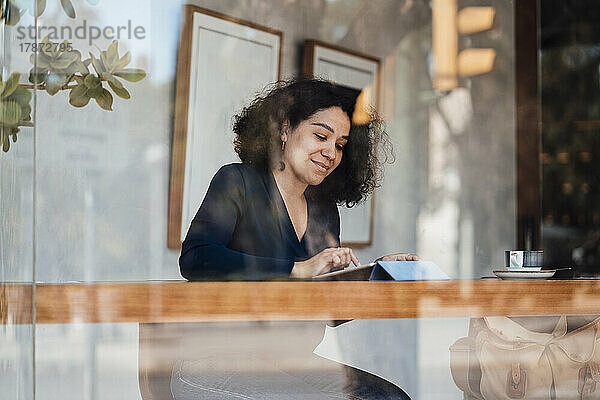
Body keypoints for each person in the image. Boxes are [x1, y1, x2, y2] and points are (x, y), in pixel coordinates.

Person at [179, 78, 418, 281]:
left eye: (340, 145)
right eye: (320, 136)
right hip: (236, 336)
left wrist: (376, 274)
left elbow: (326, 304)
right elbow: (196, 258)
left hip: (300, 336)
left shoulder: (324, 210)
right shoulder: (238, 182)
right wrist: (296, 269)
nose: (331, 153)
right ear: (285, 129)